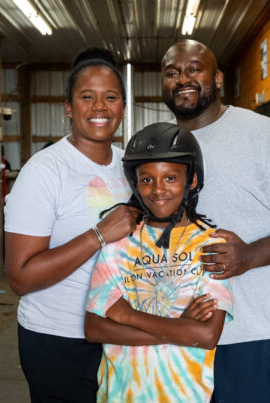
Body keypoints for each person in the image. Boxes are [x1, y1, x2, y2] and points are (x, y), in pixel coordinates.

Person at [160, 40, 270, 402]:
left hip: (247, 335)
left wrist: (250, 256)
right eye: (172, 73)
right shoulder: (160, 144)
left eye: (194, 69)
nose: (183, 79)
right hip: (172, 332)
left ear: (218, 78)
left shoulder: (262, 134)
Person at [4, 47, 142, 402]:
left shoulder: (129, 168)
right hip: (59, 339)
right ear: (68, 107)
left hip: (117, 333)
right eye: (87, 97)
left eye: (111, 97)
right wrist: (99, 234)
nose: (100, 107)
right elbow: (20, 277)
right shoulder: (45, 171)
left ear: (123, 109)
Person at [85, 123, 233, 402]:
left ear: (190, 181)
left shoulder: (211, 246)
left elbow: (206, 334)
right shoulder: (118, 244)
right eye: (146, 179)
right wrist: (180, 328)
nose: (157, 189)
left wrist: (129, 316)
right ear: (135, 184)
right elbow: (94, 329)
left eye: (170, 178)